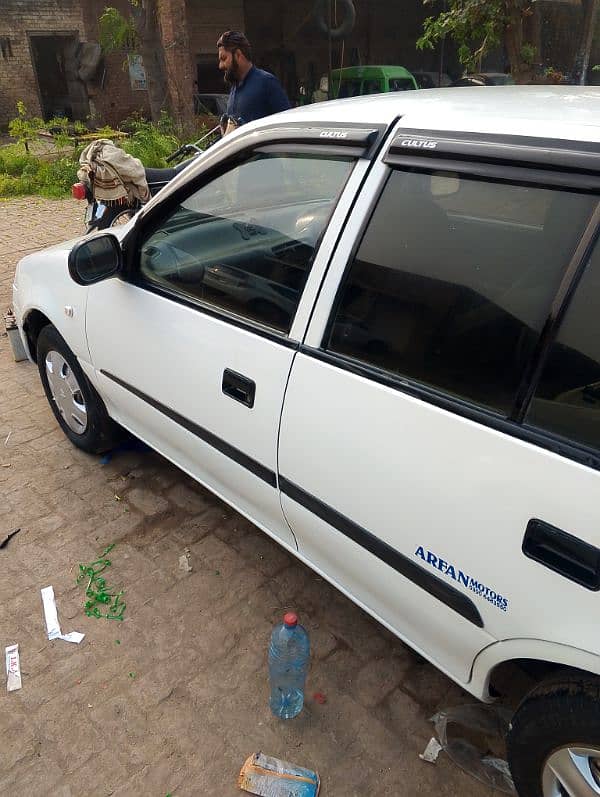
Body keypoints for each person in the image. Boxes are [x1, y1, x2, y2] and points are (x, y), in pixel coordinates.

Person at [217, 30, 291, 135]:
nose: (220, 65)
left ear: (238, 55)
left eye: (224, 58)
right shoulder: (235, 87)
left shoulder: (267, 82)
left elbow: (287, 127)